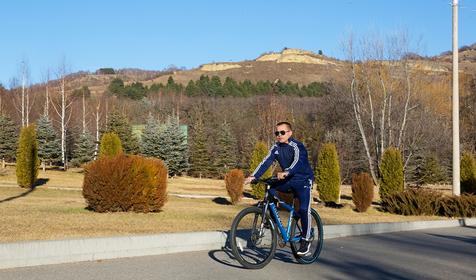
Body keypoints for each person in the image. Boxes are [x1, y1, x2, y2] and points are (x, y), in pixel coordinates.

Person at [245, 121, 314, 256]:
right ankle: (271, 219)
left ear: (290, 133)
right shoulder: (276, 147)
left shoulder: (297, 146)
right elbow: (266, 161)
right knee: (270, 187)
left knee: (305, 209)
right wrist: (253, 176)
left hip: (303, 181)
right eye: (277, 133)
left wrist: (287, 171)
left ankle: (306, 240)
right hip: (288, 180)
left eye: (282, 132)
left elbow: (298, 162)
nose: (279, 135)